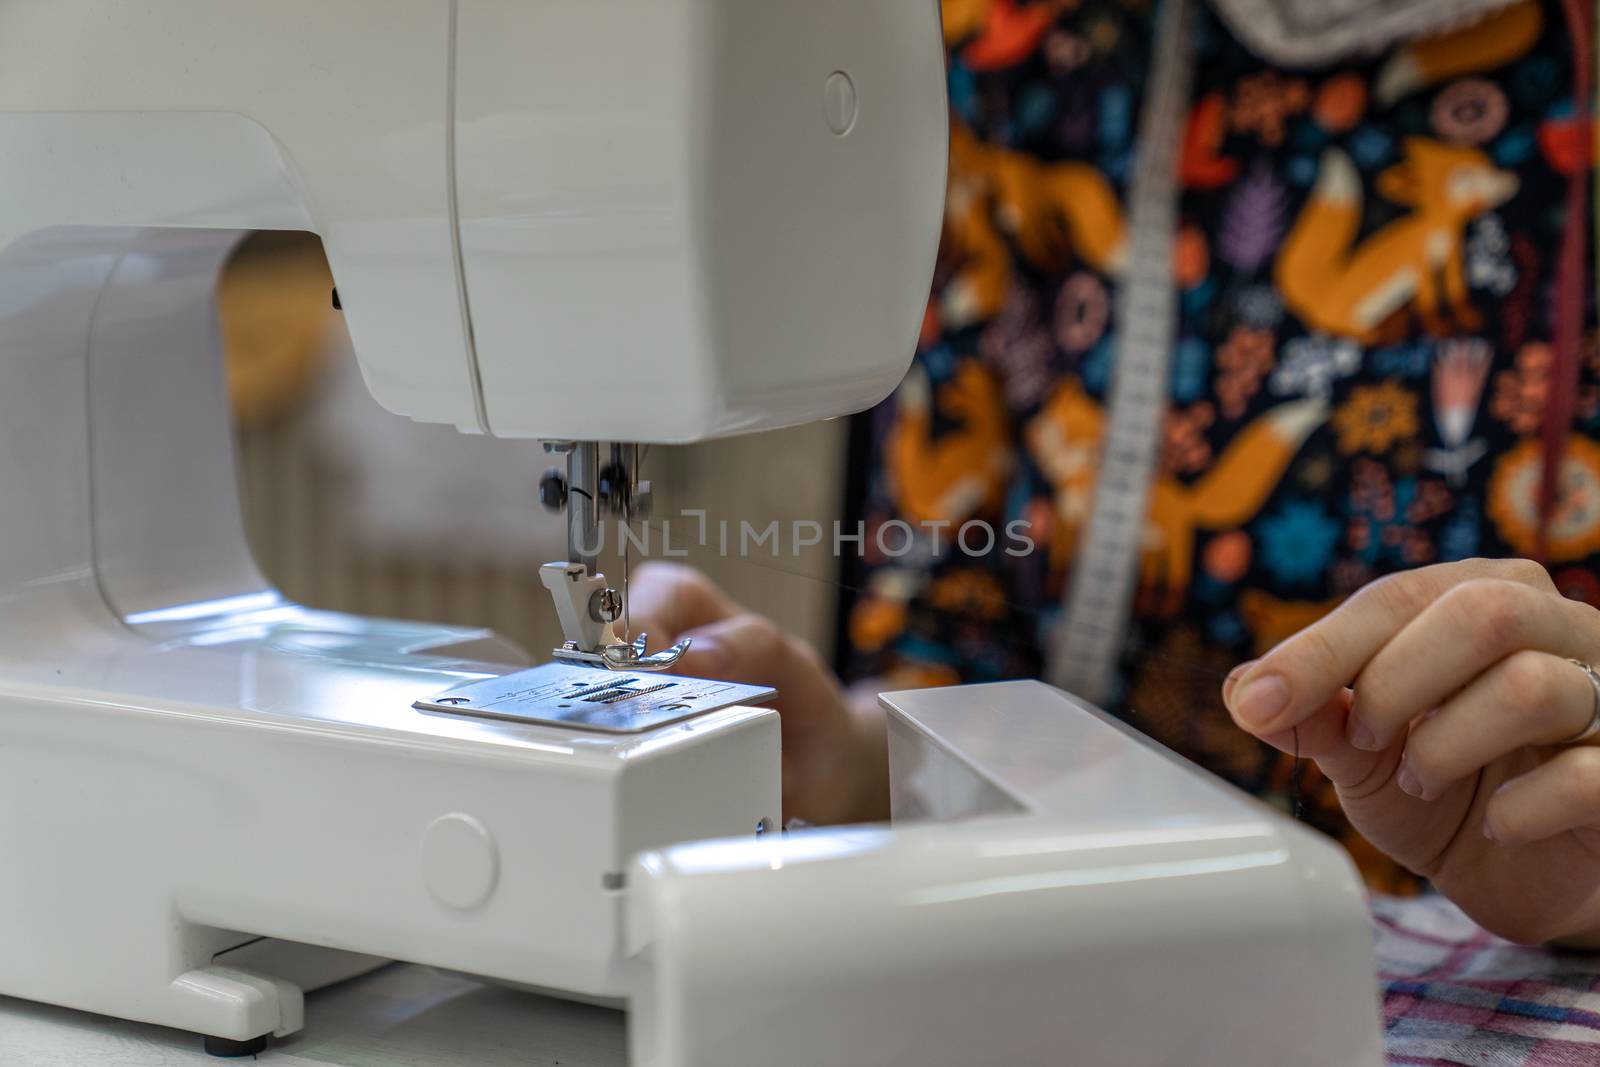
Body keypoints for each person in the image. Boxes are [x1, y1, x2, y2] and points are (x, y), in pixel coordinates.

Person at [633, 0, 1600, 951]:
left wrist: (1575, 876)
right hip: (1066, 952)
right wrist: (853, 772)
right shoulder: (1008, 50)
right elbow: (959, 627)